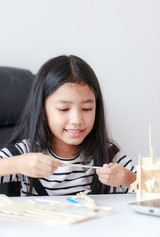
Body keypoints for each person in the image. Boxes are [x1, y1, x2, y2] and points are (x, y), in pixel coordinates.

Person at [0, 55, 136, 196]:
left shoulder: (109, 155)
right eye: (64, 109)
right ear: (42, 110)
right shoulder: (26, 153)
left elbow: (154, 187)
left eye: (87, 109)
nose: (76, 120)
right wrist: (17, 165)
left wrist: (127, 178)